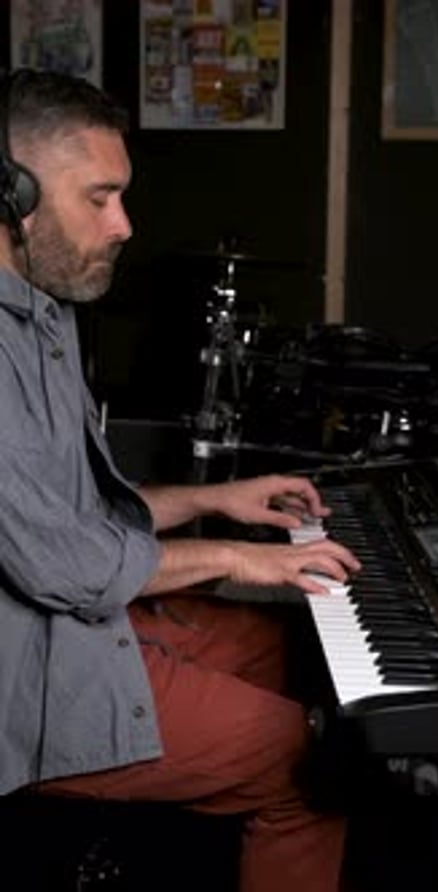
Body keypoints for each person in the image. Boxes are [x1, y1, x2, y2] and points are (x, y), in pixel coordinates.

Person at [0, 68, 360, 892]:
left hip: (66, 626)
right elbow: (65, 565)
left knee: (281, 645)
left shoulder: (40, 314)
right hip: (21, 681)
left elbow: (76, 515)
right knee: (314, 763)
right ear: (11, 193)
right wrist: (237, 556)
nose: (124, 225)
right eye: (98, 198)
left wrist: (212, 499)